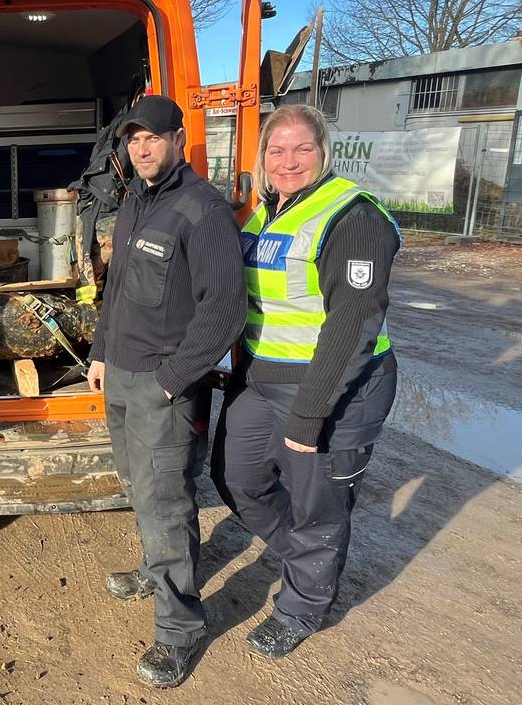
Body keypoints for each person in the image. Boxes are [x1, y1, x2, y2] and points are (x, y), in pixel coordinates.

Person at [212, 104, 401, 659]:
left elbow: (353, 322)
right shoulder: (266, 212)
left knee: (320, 506)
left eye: (302, 149)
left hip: (334, 387)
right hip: (263, 378)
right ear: (262, 157)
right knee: (237, 478)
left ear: (324, 153)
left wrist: (310, 414)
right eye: (276, 150)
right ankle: (303, 555)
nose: (288, 161)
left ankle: (302, 608)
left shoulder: (352, 216)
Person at [86, 96, 247, 688]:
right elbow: (117, 291)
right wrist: (100, 352)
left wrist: (173, 379)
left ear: (179, 138)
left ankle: (179, 630)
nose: (141, 148)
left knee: (167, 503)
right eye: (133, 140)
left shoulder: (202, 210)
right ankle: (155, 571)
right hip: (122, 375)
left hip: (164, 385)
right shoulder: (136, 200)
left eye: (152, 137)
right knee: (138, 486)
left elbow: (224, 310)